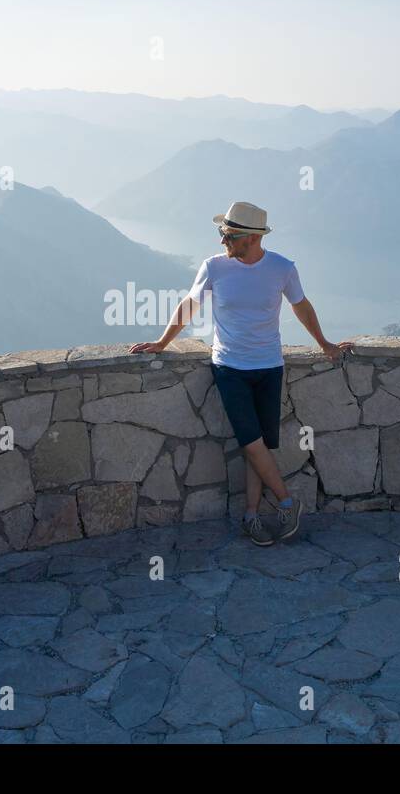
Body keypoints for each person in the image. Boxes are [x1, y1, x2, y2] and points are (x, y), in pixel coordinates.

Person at [131, 201, 351, 545]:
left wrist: (325, 343)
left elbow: (301, 306)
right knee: (251, 441)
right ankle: (288, 503)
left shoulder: (282, 268)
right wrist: (162, 342)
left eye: (228, 235)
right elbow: (190, 304)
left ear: (250, 238)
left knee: (257, 448)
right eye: (222, 233)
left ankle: (251, 517)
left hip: (269, 367)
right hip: (230, 368)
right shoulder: (214, 267)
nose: (222, 241)